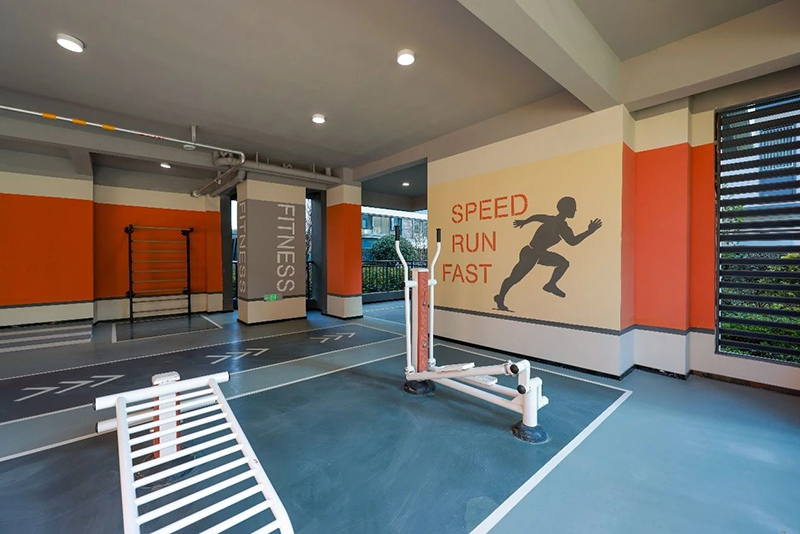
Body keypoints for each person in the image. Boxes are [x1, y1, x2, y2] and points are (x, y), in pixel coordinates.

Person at [493, 196, 601, 311]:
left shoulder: (552, 219)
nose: (575, 210)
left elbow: (536, 217)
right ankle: (500, 298)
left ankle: (550, 285)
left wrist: (524, 221)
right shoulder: (561, 226)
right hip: (531, 254)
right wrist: (590, 231)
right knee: (514, 278)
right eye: (573, 208)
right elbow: (573, 241)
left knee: (564, 263)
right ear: (566, 209)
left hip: (539, 254)